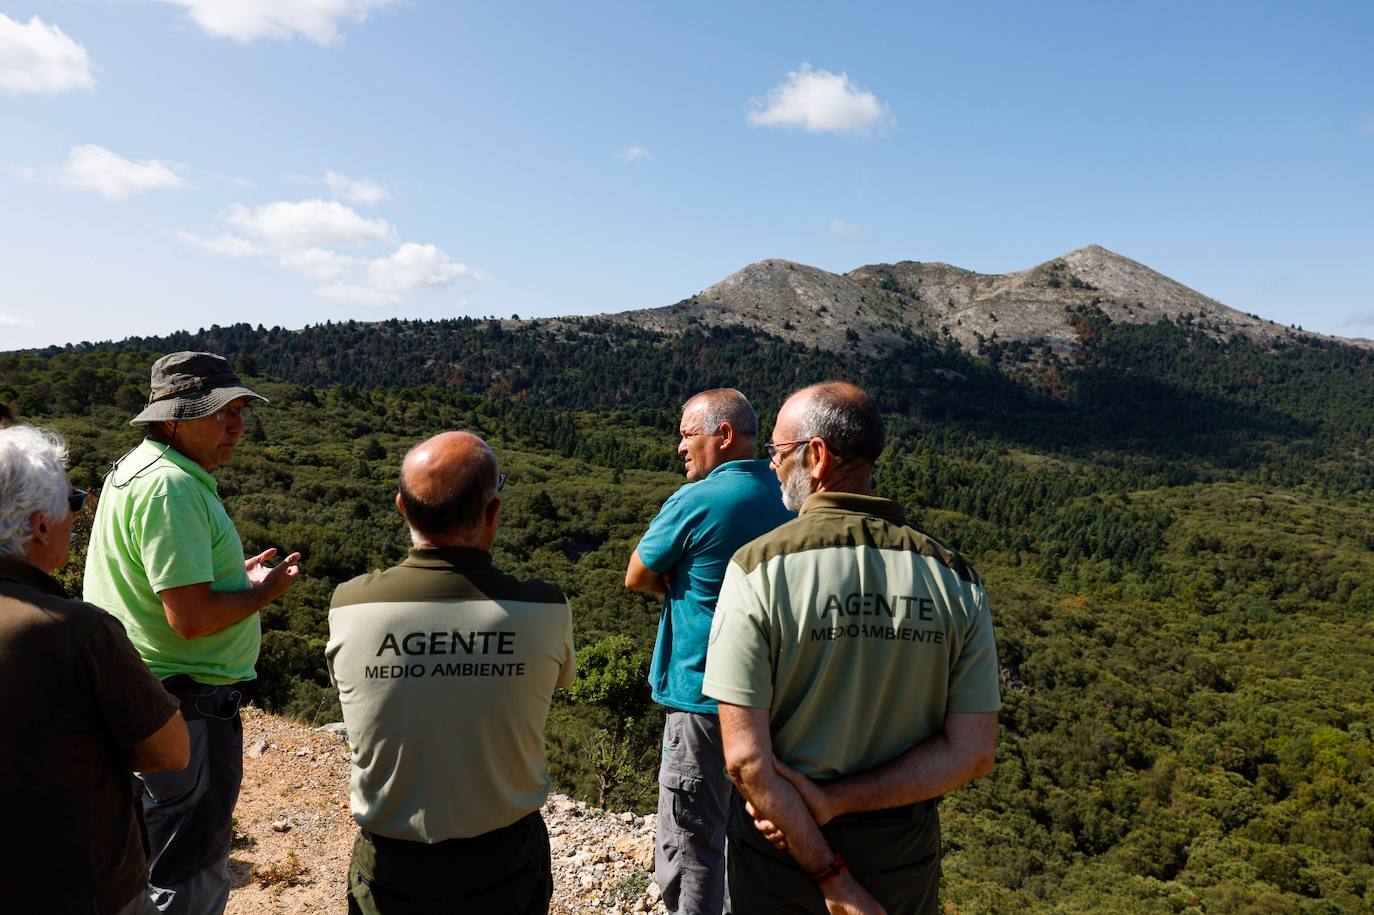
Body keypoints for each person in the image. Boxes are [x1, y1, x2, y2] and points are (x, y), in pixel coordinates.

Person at [702, 382, 1001, 915]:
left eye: (777, 452)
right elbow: (973, 753)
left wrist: (832, 879)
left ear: (815, 457)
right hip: (900, 861)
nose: (771, 467)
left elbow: (747, 761)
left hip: (781, 862)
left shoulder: (756, 569)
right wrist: (839, 802)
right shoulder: (956, 577)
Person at [83, 351, 302, 914]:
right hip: (188, 710)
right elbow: (193, 618)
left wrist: (234, 577)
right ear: (173, 418)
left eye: (241, 411)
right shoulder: (172, 489)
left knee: (138, 864)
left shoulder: (136, 470)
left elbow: (169, 589)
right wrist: (263, 592)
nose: (237, 425)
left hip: (147, 697)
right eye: (220, 412)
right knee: (188, 868)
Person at [327, 431, 576, 915]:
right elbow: (556, 681)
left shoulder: (350, 603)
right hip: (502, 864)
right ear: (493, 513)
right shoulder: (545, 607)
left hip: (392, 869)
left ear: (402, 507)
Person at [0, 424, 189, 915]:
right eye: (74, 500)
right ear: (41, 526)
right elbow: (169, 752)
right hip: (76, 889)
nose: (78, 513)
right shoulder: (76, 631)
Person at [624, 388, 795, 915]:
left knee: (694, 839)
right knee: (765, 838)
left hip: (702, 698)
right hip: (780, 700)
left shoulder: (695, 501)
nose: (679, 447)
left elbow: (637, 576)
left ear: (722, 436)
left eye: (686, 435)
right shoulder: (792, 497)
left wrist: (683, 583)